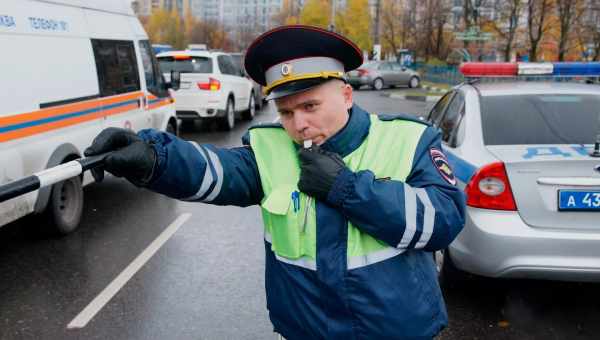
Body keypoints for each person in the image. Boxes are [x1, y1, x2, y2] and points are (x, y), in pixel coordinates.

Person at [85, 25, 465, 339]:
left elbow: (444, 220)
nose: (298, 124)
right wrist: (152, 157)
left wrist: (348, 189)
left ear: (346, 95)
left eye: (310, 106)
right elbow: (215, 171)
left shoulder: (408, 140)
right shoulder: (271, 148)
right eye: (286, 111)